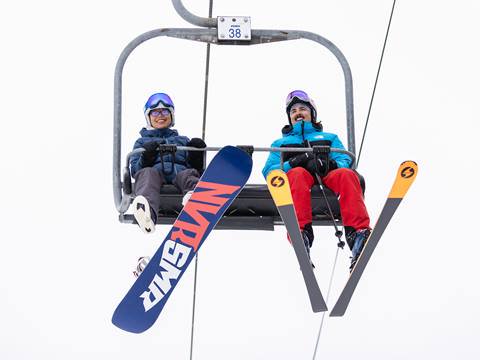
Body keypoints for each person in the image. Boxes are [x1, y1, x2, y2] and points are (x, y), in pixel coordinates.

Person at [262, 90, 371, 270]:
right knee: (296, 174)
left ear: (312, 114)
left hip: (327, 176)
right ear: (289, 117)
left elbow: (345, 160)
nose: (298, 113)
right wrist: (295, 162)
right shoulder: (280, 144)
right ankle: (301, 233)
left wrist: (329, 164)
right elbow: (271, 171)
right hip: (300, 179)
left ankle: (357, 233)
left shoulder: (329, 137)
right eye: (293, 111)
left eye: (303, 109)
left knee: (348, 175)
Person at [129, 92, 206, 234]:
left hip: (179, 174)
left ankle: (195, 199)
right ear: (148, 118)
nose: (160, 116)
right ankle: (146, 213)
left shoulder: (182, 140)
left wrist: (196, 155)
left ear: (171, 116)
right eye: (155, 113)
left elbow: (195, 169)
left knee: (188, 174)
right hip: (155, 177)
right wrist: (146, 157)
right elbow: (135, 170)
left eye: (165, 111)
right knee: (147, 174)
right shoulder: (142, 142)